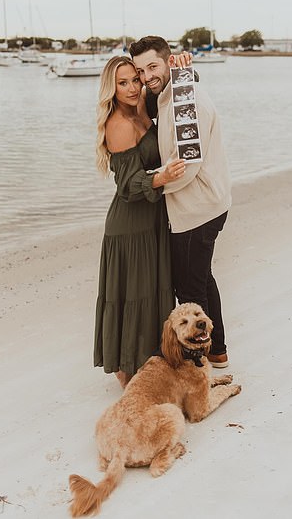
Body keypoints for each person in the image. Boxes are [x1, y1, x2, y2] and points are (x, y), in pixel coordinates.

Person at [130, 37, 232, 368]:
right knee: (201, 278)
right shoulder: (168, 92)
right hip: (204, 202)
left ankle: (197, 366)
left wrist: (151, 183)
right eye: (140, 70)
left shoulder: (187, 102)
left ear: (169, 61)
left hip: (197, 208)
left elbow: (186, 168)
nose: (146, 77)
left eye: (153, 67)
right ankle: (217, 350)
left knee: (189, 290)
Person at [93, 56, 186, 388]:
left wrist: (183, 67)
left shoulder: (143, 103)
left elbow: (178, 92)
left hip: (153, 218)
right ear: (112, 88)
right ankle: (128, 374)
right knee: (133, 296)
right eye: (123, 83)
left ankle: (153, 360)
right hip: (130, 225)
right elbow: (129, 186)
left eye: (135, 79)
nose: (133, 87)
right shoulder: (118, 123)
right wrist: (162, 178)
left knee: (152, 291)